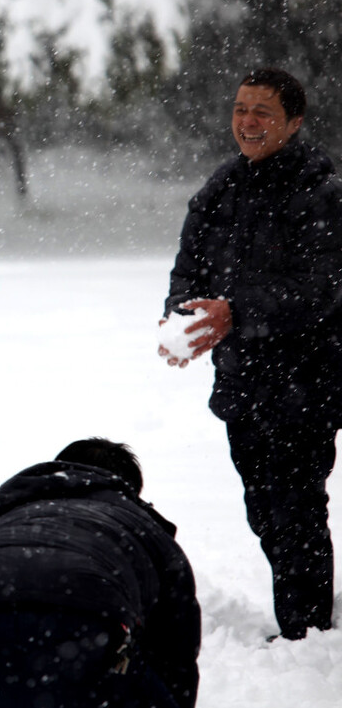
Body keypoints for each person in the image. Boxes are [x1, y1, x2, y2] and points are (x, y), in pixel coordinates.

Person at [160, 68, 342, 641]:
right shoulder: (223, 187)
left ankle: (305, 630)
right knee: (262, 506)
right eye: (241, 109)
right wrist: (183, 322)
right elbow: (190, 266)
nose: (247, 122)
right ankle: (309, 615)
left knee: (295, 507)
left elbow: (319, 290)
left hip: (308, 379)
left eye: (262, 111)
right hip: (243, 379)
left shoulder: (322, 190)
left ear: (294, 121)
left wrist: (236, 311)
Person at [0, 439, 200, 708]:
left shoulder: (10, 517)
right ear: (128, 489)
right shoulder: (142, 526)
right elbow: (175, 653)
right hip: (86, 627)